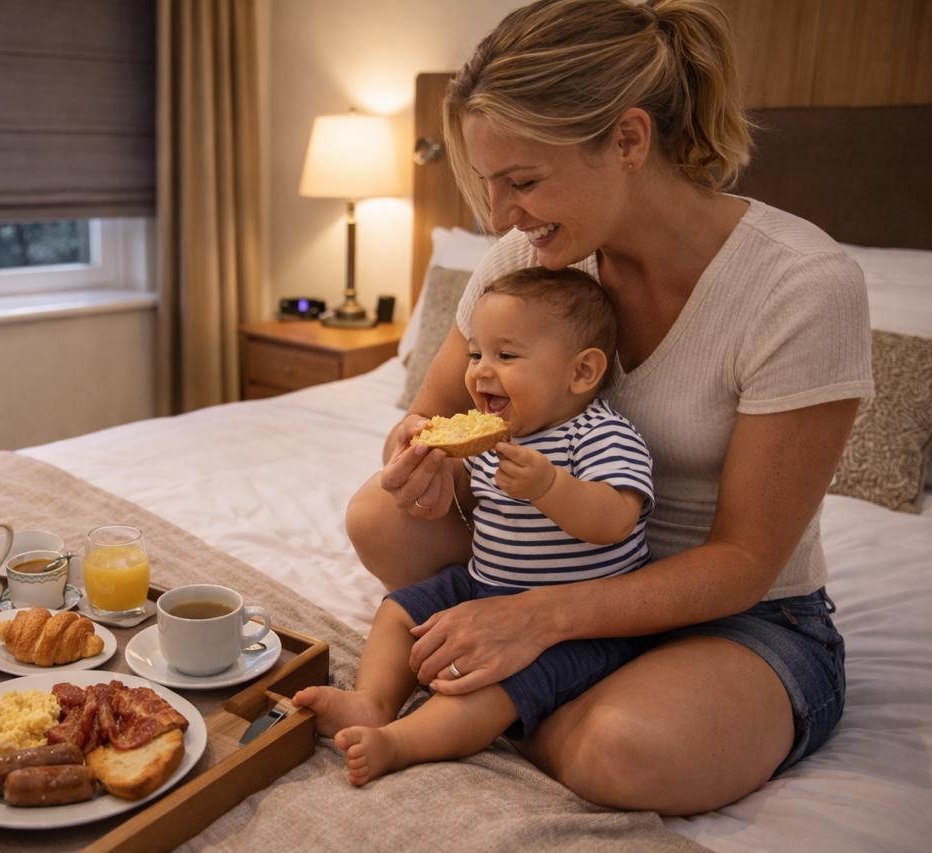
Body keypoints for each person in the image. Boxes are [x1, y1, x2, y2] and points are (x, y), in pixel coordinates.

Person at [343, 0, 870, 815]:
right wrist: (417, 462)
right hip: (556, 561)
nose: (499, 217)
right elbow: (428, 418)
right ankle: (542, 690)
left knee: (625, 751)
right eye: (488, 184)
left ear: (628, 141)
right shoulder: (525, 258)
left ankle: (520, 705)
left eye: (523, 181)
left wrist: (537, 618)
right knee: (378, 516)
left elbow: (745, 560)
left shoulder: (799, 285)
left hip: (738, 613)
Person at [295, 266, 657, 785]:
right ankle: (372, 702)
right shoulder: (491, 436)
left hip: (576, 618)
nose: (482, 372)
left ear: (581, 373)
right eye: (476, 354)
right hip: (486, 584)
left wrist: (550, 487)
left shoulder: (599, 435)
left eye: (506, 356)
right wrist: (427, 458)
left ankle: (401, 742)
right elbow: (459, 496)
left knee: (494, 685)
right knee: (400, 610)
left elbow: (616, 520)